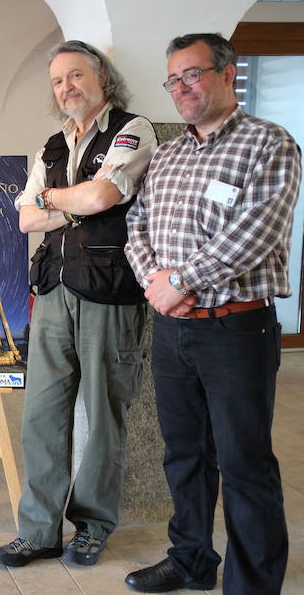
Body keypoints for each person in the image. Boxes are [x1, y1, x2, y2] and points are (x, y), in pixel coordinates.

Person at [124, 33, 300, 595]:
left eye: (192, 75)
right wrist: (157, 286)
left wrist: (178, 281)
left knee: (244, 462)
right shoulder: (170, 151)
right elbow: (138, 226)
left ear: (228, 74)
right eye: (173, 79)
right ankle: (192, 560)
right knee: (184, 456)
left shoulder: (269, 144)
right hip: (173, 330)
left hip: (237, 330)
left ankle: (251, 584)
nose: (181, 88)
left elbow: (255, 233)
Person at [0, 41, 157, 568]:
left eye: (76, 75)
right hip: (55, 291)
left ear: (101, 76)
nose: (67, 88)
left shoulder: (134, 128)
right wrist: (75, 200)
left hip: (110, 292)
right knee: (41, 415)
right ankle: (39, 530)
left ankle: (93, 524)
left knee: (103, 416)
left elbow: (103, 198)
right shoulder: (52, 144)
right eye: (59, 81)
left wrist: (59, 200)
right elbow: (24, 219)